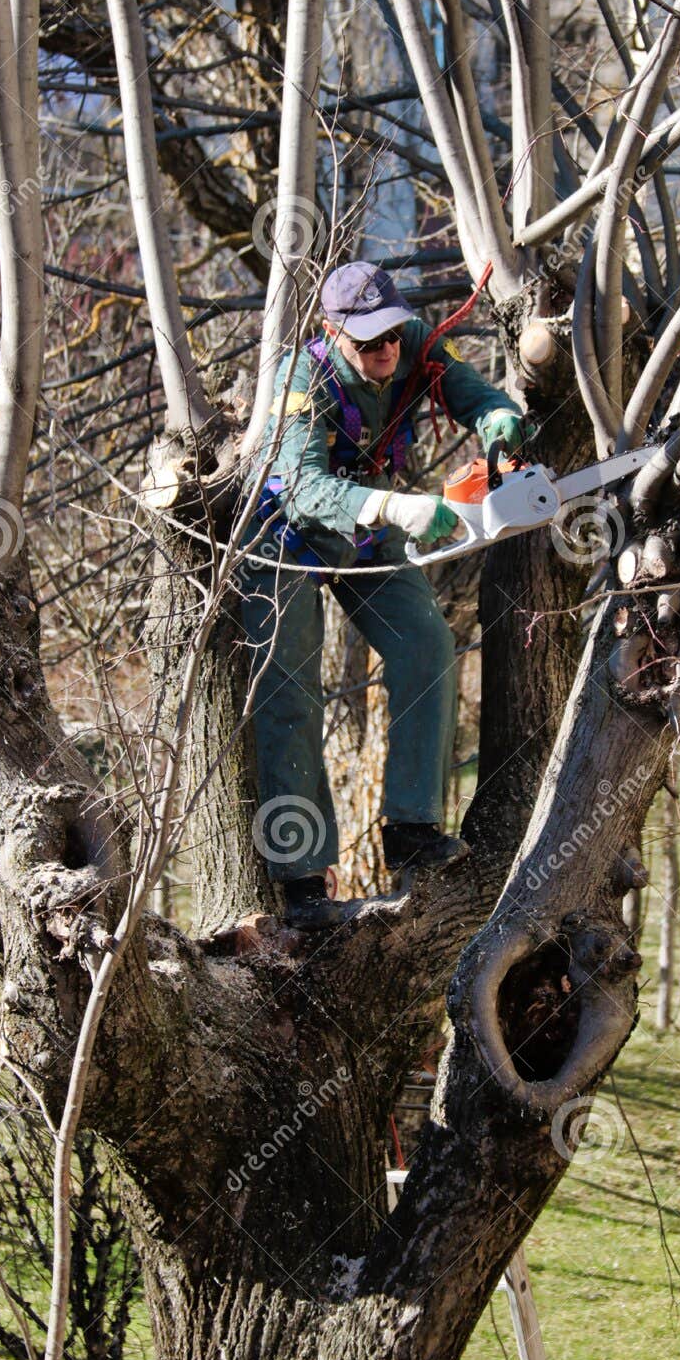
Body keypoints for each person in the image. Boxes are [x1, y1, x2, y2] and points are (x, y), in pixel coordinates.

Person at [240, 261, 525, 928]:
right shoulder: (297, 381)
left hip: (368, 531)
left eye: (391, 334)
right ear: (332, 331)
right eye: (368, 341)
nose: (386, 350)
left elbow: (475, 394)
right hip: (283, 540)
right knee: (291, 697)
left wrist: (499, 423)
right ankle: (302, 877)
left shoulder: (415, 344)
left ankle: (412, 827)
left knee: (426, 646)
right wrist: (400, 511)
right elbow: (306, 491)